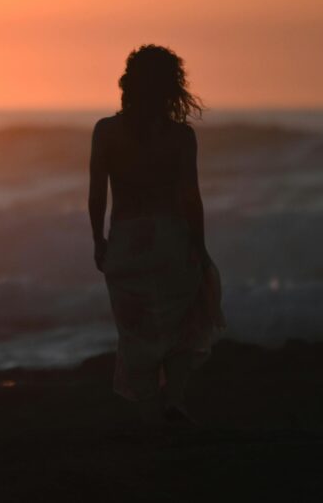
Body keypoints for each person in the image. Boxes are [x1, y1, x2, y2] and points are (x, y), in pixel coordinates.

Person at [88, 45, 225, 429]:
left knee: (136, 332)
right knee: (182, 324)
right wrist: (199, 246)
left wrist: (98, 239)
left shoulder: (107, 132)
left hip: (128, 240)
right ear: (172, 86)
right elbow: (190, 198)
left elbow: (98, 193)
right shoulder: (181, 137)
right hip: (171, 238)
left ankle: (149, 416)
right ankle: (175, 399)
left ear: (129, 84)